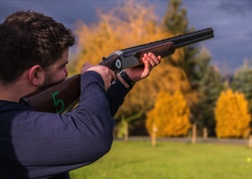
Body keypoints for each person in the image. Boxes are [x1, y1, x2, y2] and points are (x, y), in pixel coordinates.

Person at [0, 10, 161, 179]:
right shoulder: (9, 127)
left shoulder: (18, 117)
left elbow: (86, 120)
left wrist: (124, 80)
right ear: (36, 75)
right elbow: (92, 135)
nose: (67, 73)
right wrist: (92, 78)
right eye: (62, 66)